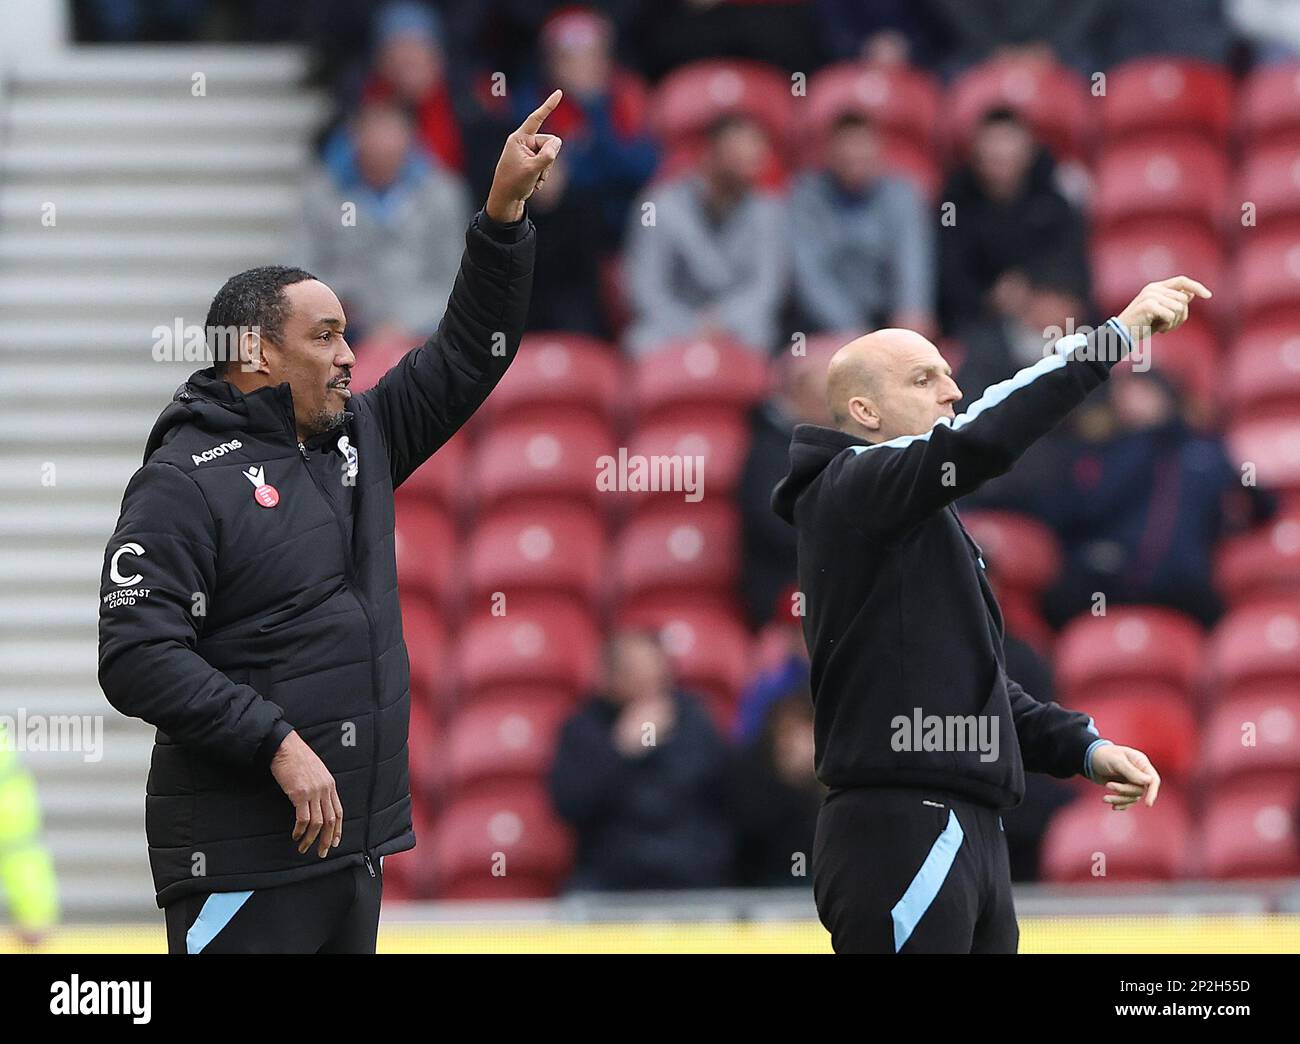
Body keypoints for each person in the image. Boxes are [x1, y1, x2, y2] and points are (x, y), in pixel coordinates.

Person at [97, 91, 563, 954]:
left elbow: (465, 357)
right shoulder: (178, 483)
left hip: (350, 855)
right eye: (326, 336)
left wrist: (500, 217)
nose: (351, 356)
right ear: (259, 354)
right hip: (241, 867)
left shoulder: (361, 441)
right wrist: (275, 742)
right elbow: (135, 656)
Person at [770, 275, 1210, 953]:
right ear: (864, 410)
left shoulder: (911, 520)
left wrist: (1085, 749)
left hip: (967, 824)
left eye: (948, 375)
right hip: (901, 825)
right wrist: (1115, 338)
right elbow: (983, 438)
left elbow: (982, 683)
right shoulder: (849, 488)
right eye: (924, 379)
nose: (951, 391)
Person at [549, 632, 733, 891]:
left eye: (656, 672)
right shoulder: (585, 728)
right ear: (609, 678)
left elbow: (722, 790)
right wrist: (620, 752)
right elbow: (569, 804)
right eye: (635, 672)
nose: (650, 682)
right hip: (611, 877)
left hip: (691, 872)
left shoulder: (693, 719)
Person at [302, 97, 472, 343]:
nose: (381, 146)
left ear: (410, 139)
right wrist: (342, 312)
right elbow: (301, 270)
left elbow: (457, 278)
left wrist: (404, 325)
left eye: (391, 134)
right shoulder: (321, 194)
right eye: (372, 134)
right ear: (354, 137)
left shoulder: (443, 194)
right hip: (344, 333)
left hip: (427, 336)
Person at [623, 112, 788, 356]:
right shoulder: (658, 205)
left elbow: (767, 287)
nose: (751, 158)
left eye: (756, 150)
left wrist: (723, 322)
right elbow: (645, 288)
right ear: (710, 154)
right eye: (738, 150)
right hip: (671, 325)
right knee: (640, 343)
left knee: (764, 338)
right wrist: (691, 327)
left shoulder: (769, 209)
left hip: (739, 327)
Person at [937, 107, 1090, 337]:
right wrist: (990, 299)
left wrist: (1032, 288)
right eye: (992, 153)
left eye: (1007, 151)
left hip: (1046, 316)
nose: (999, 160)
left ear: (1028, 151)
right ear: (976, 154)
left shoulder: (1055, 196)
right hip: (977, 325)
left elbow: (1072, 263)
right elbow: (948, 276)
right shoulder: (954, 203)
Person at [790, 113, 936, 340]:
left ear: (880, 151)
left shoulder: (903, 195)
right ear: (829, 153)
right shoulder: (806, 197)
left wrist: (909, 316)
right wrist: (853, 330)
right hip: (823, 329)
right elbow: (810, 278)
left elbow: (912, 265)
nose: (854, 155)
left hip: (889, 324)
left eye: (862, 146)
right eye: (846, 147)